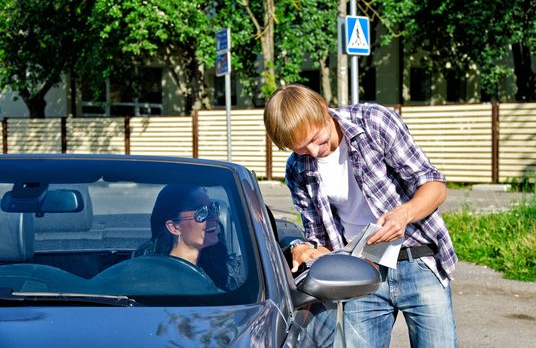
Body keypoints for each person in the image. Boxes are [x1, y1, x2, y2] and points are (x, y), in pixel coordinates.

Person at [263, 84, 458, 347]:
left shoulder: (373, 123)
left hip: (417, 259)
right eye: (300, 148)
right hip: (361, 271)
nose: (313, 152)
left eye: (315, 139)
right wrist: (304, 248)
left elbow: (435, 186)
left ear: (323, 108)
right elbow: (319, 240)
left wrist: (403, 214)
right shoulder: (298, 169)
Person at [135, 184, 238, 291]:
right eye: (202, 212)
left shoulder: (228, 268)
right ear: (174, 227)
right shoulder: (147, 277)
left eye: (213, 208)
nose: (215, 218)